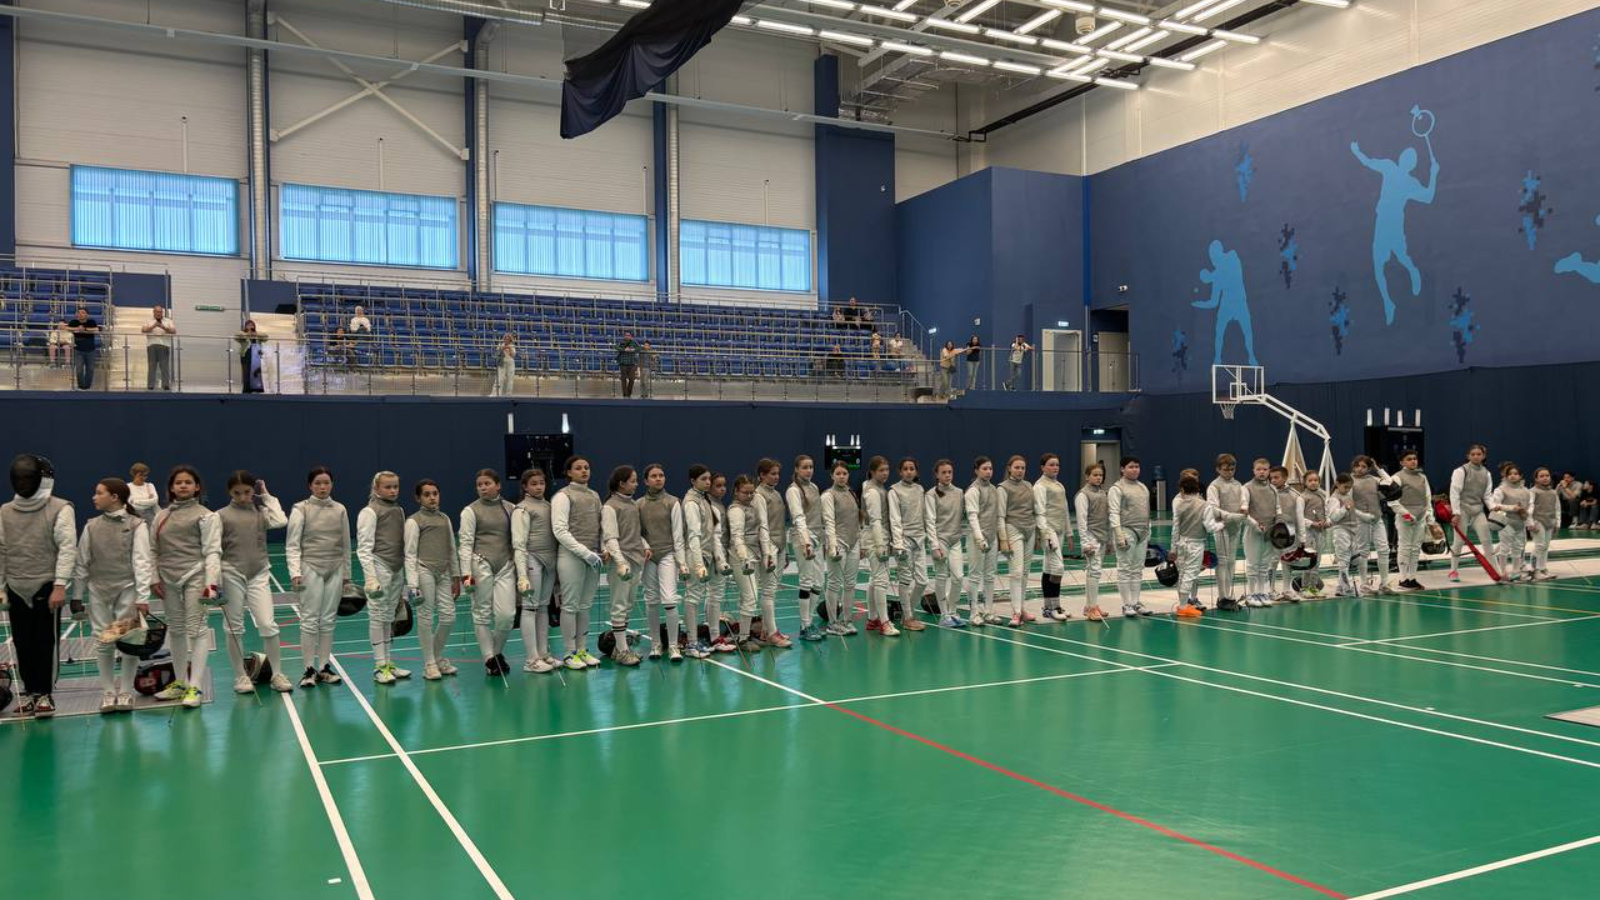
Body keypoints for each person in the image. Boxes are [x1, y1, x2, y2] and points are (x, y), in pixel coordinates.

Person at [1, 455, 77, 717]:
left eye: (28, 478)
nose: (23, 483)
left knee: (45, 641)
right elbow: (1, 550)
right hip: (16, 586)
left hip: (46, 584)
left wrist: (60, 585)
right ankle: (30, 692)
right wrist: (0, 586)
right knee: (22, 643)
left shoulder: (60, 508)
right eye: (19, 478)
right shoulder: (5, 511)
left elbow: (67, 548)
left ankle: (45, 693)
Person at [74, 477, 153, 713]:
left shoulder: (137, 525)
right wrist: (76, 596)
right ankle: (109, 692)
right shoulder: (91, 526)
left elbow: (142, 562)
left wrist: (142, 597)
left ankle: (126, 691)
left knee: (129, 640)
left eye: (99, 493)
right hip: (99, 590)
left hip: (127, 589)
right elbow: (82, 563)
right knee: (103, 640)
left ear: (115, 497)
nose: (94, 497)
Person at [150, 465, 222, 710]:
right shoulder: (161, 516)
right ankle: (180, 682)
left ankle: (195, 686)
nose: (183, 486)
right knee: (176, 630)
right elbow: (153, 549)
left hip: (196, 576)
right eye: (178, 482)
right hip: (167, 577)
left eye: (188, 482)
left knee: (197, 629)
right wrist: (153, 578)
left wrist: (211, 584)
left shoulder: (206, 516)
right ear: (171, 488)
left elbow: (212, 551)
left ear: (197, 487)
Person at [216, 471, 291, 694]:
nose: (242, 497)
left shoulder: (261, 513)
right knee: (234, 627)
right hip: (231, 573)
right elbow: (213, 548)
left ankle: (277, 674)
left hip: (259, 573)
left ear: (253, 491)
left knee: (268, 624)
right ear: (230, 492)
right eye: (237, 493)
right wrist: (215, 581)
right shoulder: (220, 516)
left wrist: (266, 497)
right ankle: (241, 676)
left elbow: (281, 520)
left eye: (247, 492)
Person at [286, 466, 351, 688]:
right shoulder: (301, 509)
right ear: (310, 486)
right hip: (310, 567)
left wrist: (347, 574)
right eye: (318, 483)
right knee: (309, 619)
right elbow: (292, 544)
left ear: (332, 484)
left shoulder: (340, 509)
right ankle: (308, 669)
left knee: (328, 620)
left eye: (326, 483)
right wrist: (295, 572)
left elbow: (346, 544)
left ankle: (323, 667)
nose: (323, 487)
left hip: (335, 568)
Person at [460, 469, 520, 677]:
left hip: (505, 565)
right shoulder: (470, 511)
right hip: (480, 563)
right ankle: (489, 659)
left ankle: (496, 652)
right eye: (479, 485)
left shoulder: (511, 509)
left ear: (498, 485)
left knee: (507, 616)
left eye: (487, 483)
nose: (483, 488)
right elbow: (465, 543)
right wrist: (466, 573)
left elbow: (518, 540)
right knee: (482, 613)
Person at [404, 479, 461, 681]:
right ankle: (429, 664)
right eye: (427, 494)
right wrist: (413, 585)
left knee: (449, 617)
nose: (432, 498)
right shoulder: (414, 521)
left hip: (444, 572)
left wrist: (456, 576)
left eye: (435, 493)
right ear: (418, 498)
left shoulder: (445, 519)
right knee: (426, 617)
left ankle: (435, 657)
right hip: (423, 570)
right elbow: (410, 554)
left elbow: (452, 548)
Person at [552, 457, 605, 670]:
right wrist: (584, 552)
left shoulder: (594, 495)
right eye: (578, 468)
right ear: (569, 472)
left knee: (585, 606)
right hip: (571, 556)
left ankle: (582, 649)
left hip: (592, 556)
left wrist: (602, 549)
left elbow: (601, 526)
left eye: (586, 467)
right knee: (571, 605)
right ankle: (569, 652)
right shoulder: (562, 496)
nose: (584, 471)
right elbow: (560, 530)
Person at [358, 471, 410, 685]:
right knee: (378, 615)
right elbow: (363, 548)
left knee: (389, 616)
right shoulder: (369, 511)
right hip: (379, 565)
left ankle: (388, 663)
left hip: (397, 567)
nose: (392, 490)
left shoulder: (399, 510)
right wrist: (371, 578)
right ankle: (379, 666)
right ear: (377, 488)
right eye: (388, 487)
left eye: (395, 486)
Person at [512, 468, 562, 672]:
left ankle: (543, 653)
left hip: (550, 560)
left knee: (543, 607)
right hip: (532, 558)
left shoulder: (549, 506)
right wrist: (522, 574)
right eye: (534, 484)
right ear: (525, 487)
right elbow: (519, 543)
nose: (539, 487)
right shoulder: (522, 509)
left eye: (541, 483)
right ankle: (531, 659)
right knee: (530, 607)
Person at [636, 464, 685, 661]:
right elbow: (637, 532)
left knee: (670, 599)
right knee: (651, 600)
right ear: (646, 481)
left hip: (668, 554)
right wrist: (645, 546)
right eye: (654, 476)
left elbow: (678, 534)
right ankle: (656, 644)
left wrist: (681, 562)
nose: (658, 479)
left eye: (661, 475)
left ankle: (673, 646)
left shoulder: (673, 502)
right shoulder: (638, 504)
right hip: (648, 556)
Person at [600, 466, 646, 666]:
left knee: (628, 605)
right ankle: (622, 651)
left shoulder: (633, 504)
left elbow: (635, 532)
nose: (636, 484)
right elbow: (610, 537)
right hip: (622, 561)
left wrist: (645, 546)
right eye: (633, 481)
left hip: (635, 559)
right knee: (619, 605)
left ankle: (621, 648)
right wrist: (620, 561)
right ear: (621, 483)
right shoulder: (610, 506)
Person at [681, 464, 725, 657]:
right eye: (703, 479)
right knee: (693, 597)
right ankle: (691, 643)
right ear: (693, 481)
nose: (708, 482)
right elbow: (693, 535)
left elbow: (713, 534)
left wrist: (718, 558)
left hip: (707, 554)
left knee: (705, 596)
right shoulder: (692, 502)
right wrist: (699, 565)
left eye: (709, 479)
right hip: (694, 555)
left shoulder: (705, 500)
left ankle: (708, 639)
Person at [997, 455, 1043, 626]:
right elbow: (1000, 516)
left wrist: (1038, 534)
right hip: (1013, 529)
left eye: (1022, 468)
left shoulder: (1028, 486)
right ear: (1009, 468)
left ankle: (1021, 608)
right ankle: (1016, 612)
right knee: (1016, 572)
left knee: (1025, 572)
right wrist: (1003, 539)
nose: (1020, 471)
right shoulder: (1002, 488)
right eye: (1017, 467)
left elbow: (1034, 510)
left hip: (1029, 529)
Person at [725, 475, 768, 652]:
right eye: (745, 492)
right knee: (750, 597)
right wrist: (744, 557)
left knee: (747, 597)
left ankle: (745, 635)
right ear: (736, 491)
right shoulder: (736, 510)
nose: (749, 496)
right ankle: (743, 639)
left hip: (753, 555)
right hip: (740, 557)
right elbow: (737, 536)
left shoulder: (750, 507)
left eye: (752, 492)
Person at [861, 456, 902, 636]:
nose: (885, 473)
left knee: (875, 579)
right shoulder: (872, 491)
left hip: (878, 536)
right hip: (875, 538)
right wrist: (879, 544)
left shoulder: (878, 487)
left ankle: (873, 619)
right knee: (881, 580)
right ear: (872, 472)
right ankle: (884, 622)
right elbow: (875, 520)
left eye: (887, 470)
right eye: (881, 470)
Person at [753, 459, 792, 648]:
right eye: (772, 474)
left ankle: (765, 629)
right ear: (762, 475)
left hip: (780, 546)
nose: (776, 477)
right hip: (768, 548)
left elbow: (781, 524)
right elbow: (762, 525)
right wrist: (768, 552)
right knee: (768, 591)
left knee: (772, 591)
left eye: (777, 474)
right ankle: (772, 633)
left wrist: (786, 550)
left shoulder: (776, 493)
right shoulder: (758, 495)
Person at [786, 455, 826, 642]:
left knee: (818, 583)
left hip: (818, 538)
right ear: (796, 469)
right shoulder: (793, 490)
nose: (809, 470)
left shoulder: (815, 487)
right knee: (806, 581)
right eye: (804, 467)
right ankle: (804, 625)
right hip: (803, 540)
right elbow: (798, 517)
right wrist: (806, 542)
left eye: (811, 467)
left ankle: (809, 622)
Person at [1108, 456, 1153, 617]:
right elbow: (1113, 512)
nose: (1135, 470)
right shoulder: (1117, 488)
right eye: (1131, 467)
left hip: (1142, 532)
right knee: (1125, 568)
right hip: (1126, 531)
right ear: (1122, 469)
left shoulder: (1142, 487)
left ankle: (1135, 602)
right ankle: (1126, 604)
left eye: (1137, 467)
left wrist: (1148, 529)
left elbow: (1147, 510)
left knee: (1137, 569)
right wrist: (1118, 533)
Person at [924, 459, 967, 627]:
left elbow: (964, 516)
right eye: (944, 472)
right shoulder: (931, 494)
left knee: (958, 577)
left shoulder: (959, 492)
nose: (947, 475)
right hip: (940, 539)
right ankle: (944, 615)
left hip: (955, 540)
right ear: (937, 474)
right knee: (941, 576)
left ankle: (953, 611)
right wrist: (934, 545)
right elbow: (930, 521)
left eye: (950, 472)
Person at [821, 460, 862, 636]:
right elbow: (828, 521)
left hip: (853, 542)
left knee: (850, 584)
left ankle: (847, 620)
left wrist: (860, 542)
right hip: (837, 543)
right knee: (834, 583)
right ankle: (832, 622)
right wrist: (832, 545)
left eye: (844, 473)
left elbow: (857, 520)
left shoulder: (851, 493)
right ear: (832, 475)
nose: (842, 476)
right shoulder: (828, 495)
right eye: (838, 473)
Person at [891, 458, 930, 630]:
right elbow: (895, 519)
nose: (908, 472)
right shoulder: (894, 491)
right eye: (905, 469)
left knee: (922, 581)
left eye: (911, 468)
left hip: (919, 539)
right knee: (905, 580)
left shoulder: (920, 489)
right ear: (900, 472)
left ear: (916, 471)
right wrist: (898, 543)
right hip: (904, 540)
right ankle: (908, 618)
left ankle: (908, 612)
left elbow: (924, 514)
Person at [1034, 453, 1075, 621]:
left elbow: (1065, 510)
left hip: (1060, 530)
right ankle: (1052, 607)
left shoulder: (1059, 485)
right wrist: (1044, 534)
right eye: (1051, 465)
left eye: (1057, 464)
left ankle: (1050, 607)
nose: (1055, 467)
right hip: (1048, 530)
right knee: (1058, 567)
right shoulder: (1039, 486)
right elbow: (1039, 511)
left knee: (1049, 568)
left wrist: (1069, 533)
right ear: (1043, 467)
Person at [1206, 454, 1248, 610]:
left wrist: (1243, 509)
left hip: (1235, 527)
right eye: (1226, 469)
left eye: (1232, 469)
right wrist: (1231, 516)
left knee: (1231, 561)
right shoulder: (1214, 486)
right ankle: (1222, 596)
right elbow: (1213, 508)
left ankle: (1229, 596)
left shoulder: (1238, 484)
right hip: (1221, 527)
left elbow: (1243, 502)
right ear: (1218, 469)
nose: (1229, 472)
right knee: (1222, 562)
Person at [1448, 443, 1496, 580]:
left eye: (1479, 454)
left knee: (1487, 540)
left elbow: (1487, 495)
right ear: (1468, 456)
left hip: (1478, 510)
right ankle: (1453, 571)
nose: (1476, 457)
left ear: (1484, 456)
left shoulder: (1487, 473)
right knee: (1458, 542)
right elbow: (1454, 492)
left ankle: (1495, 570)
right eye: (1473, 454)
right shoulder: (1460, 471)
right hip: (1462, 509)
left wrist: (1493, 508)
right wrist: (1456, 512)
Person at [963, 456, 1001, 625]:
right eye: (984, 469)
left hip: (992, 537)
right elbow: (972, 516)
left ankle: (988, 611)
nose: (988, 472)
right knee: (975, 576)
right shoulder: (973, 490)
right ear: (976, 471)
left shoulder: (993, 489)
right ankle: (973, 613)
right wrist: (979, 538)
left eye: (990, 468)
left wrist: (998, 537)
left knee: (990, 575)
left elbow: (996, 515)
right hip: (977, 539)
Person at [1389, 451, 1434, 590]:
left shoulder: (1422, 477)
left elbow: (1427, 498)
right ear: (1402, 462)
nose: (1413, 461)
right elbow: (1392, 501)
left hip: (1420, 518)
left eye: (1415, 458)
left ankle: (1412, 578)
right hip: (1405, 519)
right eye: (1409, 459)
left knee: (1415, 549)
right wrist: (1407, 515)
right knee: (1405, 548)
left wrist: (1430, 517)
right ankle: (1403, 579)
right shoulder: (1397, 477)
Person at [1171, 470, 1213, 613]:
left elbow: (1177, 528)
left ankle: (1191, 600)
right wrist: (1221, 525)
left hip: (1191, 541)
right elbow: (1177, 526)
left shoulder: (1198, 499)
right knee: (1187, 574)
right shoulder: (1179, 501)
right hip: (1190, 542)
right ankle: (1184, 604)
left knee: (1190, 573)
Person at [1350, 456, 1392, 595]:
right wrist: (1362, 515)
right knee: (1363, 552)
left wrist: (1378, 469)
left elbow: (1390, 483)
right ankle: (1364, 584)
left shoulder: (1374, 479)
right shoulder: (1349, 481)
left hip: (1377, 519)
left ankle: (1384, 583)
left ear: (1369, 468)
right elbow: (1346, 503)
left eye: (1364, 467)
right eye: (1358, 466)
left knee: (1384, 549)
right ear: (1353, 466)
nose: (1360, 469)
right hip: (1360, 521)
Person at [1242, 457, 1277, 607]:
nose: (1262, 472)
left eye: (1265, 469)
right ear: (1253, 470)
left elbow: (1278, 509)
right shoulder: (1247, 488)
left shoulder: (1273, 489)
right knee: (1253, 564)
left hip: (1269, 532)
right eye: (1258, 469)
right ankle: (1251, 594)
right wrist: (1256, 525)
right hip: (1253, 531)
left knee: (1264, 564)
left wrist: (1278, 524)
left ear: (1269, 471)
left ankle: (1262, 592)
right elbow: (1243, 512)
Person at [1491, 463, 1531, 582]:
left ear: (1520, 476)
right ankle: (1502, 572)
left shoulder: (1526, 491)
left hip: (1520, 522)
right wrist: (1512, 508)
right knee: (1504, 547)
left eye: (1516, 474)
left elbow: (1528, 507)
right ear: (1506, 476)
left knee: (1518, 547)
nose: (1513, 476)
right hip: (1505, 522)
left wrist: (1525, 515)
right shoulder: (1500, 489)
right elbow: (1495, 505)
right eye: (1510, 474)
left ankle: (1515, 572)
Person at [1298, 470, 1331, 597]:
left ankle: (1313, 587)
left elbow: (1327, 512)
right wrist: (1312, 523)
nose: (1313, 483)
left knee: (1317, 561)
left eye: (1316, 480)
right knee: (1308, 560)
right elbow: (1299, 517)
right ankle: (1304, 588)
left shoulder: (1323, 495)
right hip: (1308, 532)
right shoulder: (1302, 497)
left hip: (1320, 532)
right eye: (1310, 480)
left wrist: (1326, 521)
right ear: (1305, 482)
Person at [1328, 474, 1362, 597]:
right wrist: (1345, 509)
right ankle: (1346, 588)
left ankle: (1340, 587)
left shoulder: (1348, 496)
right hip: (1341, 530)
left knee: (1352, 559)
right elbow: (1334, 517)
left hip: (1352, 530)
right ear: (1337, 484)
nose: (1347, 490)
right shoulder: (1334, 499)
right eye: (1345, 487)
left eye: (1349, 487)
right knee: (1344, 560)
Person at [1530, 468, 1560, 580]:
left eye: (1547, 475)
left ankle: (1542, 568)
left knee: (1545, 546)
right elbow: (1529, 507)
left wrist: (1558, 522)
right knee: (1539, 545)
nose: (1545, 478)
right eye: (1541, 476)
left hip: (1550, 521)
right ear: (1536, 479)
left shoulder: (1553, 492)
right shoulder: (1533, 491)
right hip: (1537, 521)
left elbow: (1557, 508)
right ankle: (1534, 570)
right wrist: (1531, 522)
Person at [142, 306, 177, 391]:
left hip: (164, 345)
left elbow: (173, 331)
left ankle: (165, 385)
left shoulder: (168, 321)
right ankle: (150, 385)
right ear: (154, 312)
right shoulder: (149, 321)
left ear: (162, 313)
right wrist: (153, 326)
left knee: (164, 366)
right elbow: (143, 330)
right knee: (152, 366)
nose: (159, 313)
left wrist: (163, 327)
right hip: (152, 345)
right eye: (157, 312)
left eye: (160, 312)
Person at [67, 307, 100, 390]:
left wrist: (85, 329)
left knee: (90, 369)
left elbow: (96, 329)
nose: (80, 314)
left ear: (87, 315)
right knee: (79, 370)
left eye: (82, 312)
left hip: (90, 350)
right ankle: (81, 386)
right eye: (79, 312)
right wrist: (77, 329)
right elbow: (67, 328)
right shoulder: (74, 322)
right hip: (78, 350)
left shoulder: (91, 322)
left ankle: (87, 386)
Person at [235, 320, 266, 394]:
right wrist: (247, 334)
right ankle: (246, 389)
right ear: (245, 326)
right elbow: (236, 337)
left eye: (252, 325)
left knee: (256, 371)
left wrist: (255, 334)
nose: (250, 326)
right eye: (248, 325)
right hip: (246, 355)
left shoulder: (257, 334)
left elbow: (266, 337)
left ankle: (256, 388)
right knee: (246, 372)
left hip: (256, 355)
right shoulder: (242, 334)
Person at [127, 462, 160, 527]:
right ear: (134, 475)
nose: (143, 478)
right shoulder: (127, 487)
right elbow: (130, 505)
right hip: (134, 518)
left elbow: (155, 501)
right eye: (140, 475)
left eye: (145, 475)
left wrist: (136, 501)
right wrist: (148, 501)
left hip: (151, 518)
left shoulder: (150, 486)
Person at [616, 332, 641, 398]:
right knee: (623, 379)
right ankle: (625, 394)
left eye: (629, 335)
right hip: (623, 363)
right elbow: (616, 347)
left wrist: (634, 350)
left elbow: (639, 348)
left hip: (632, 363)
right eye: (626, 335)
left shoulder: (634, 342)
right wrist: (624, 349)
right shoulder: (621, 342)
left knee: (632, 379)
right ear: (624, 336)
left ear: (631, 336)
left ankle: (629, 393)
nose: (627, 336)